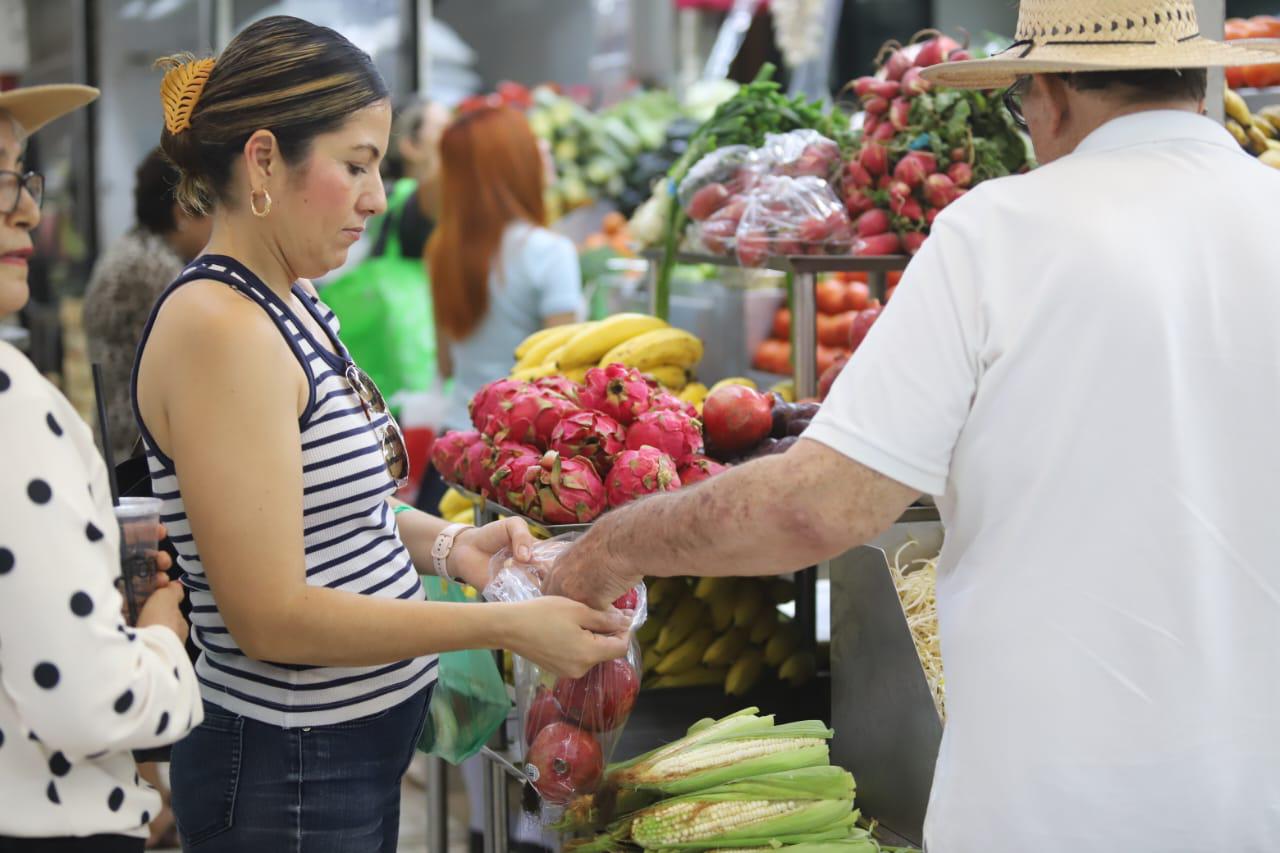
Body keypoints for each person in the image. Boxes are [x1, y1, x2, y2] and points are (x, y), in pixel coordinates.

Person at [551, 3, 1280, 852]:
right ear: (1194, 83)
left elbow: (816, 507)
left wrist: (612, 544)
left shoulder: (1001, 230)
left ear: (1048, 93)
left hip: (1054, 806)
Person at [131, 17, 628, 851]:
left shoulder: (288, 296)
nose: (376, 196)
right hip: (287, 770)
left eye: (380, 168)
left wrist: (451, 550)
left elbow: (312, 509)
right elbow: (271, 616)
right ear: (262, 161)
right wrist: (501, 624)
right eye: (356, 165)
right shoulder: (221, 329)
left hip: (335, 754)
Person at [0, 84, 203, 853]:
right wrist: (157, 638)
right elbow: (92, 701)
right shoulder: (13, 407)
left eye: (22, 175)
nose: (25, 209)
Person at [417, 104, 583, 512]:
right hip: (520, 464)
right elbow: (562, 369)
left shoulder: (442, 250)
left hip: (453, 453)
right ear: (516, 165)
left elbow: (447, 366)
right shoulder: (550, 252)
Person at [83, 147, 211, 463]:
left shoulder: (138, 250)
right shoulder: (152, 270)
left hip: (124, 445)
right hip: (137, 457)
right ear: (182, 213)